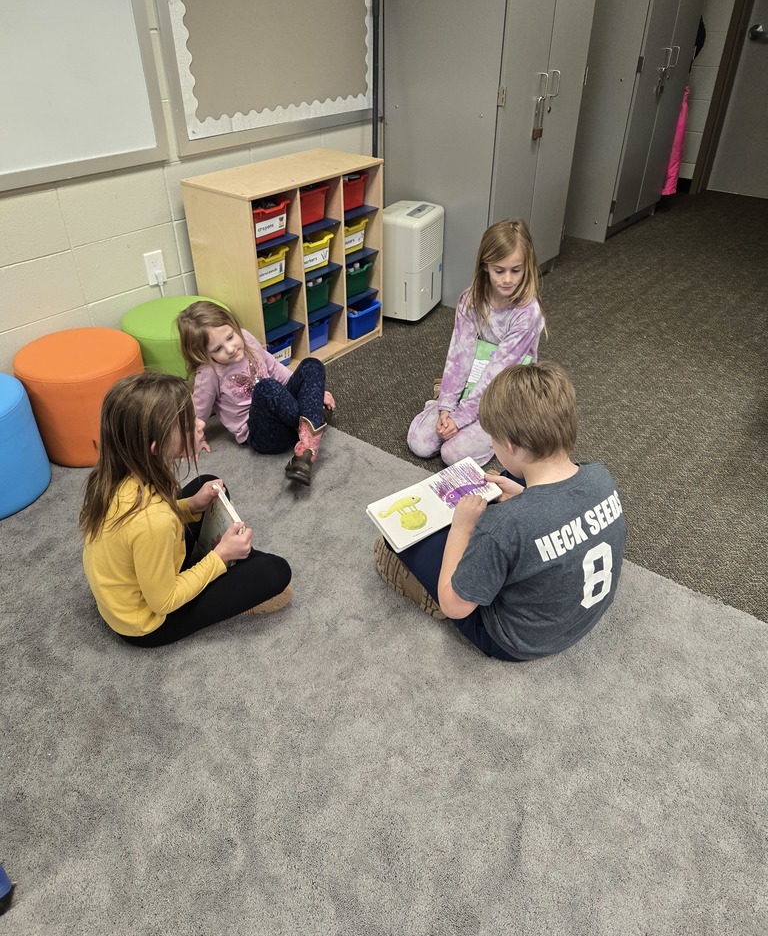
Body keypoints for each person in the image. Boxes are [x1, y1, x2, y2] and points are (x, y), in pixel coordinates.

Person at [375, 361, 627, 661]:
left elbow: (454, 606)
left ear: (509, 444)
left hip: (514, 640)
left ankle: (427, 587)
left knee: (399, 541)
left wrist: (463, 528)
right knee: (516, 480)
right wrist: (524, 496)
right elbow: (560, 511)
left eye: (492, 441)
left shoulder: (502, 526)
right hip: (578, 616)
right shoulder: (601, 476)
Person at [80, 371, 292, 648]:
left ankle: (229, 555)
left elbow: (144, 526)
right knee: (275, 571)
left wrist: (189, 507)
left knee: (208, 486)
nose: (201, 423)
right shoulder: (152, 521)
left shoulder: (118, 475)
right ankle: (231, 559)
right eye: (189, 423)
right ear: (156, 448)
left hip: (134, 580)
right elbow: (163, 601)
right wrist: (219, 558)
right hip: (148, 623)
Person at [407, 218, 545, 467]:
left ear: (527, 267)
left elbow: (497, 375)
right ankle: (439, 403)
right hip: (469, 391)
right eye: (499, 270)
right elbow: (458, 358)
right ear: (485, 266)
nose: (507, 280)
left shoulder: (527, 313)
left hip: (503, 397)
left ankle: (505, 431)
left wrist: (460, 419)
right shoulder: (471, 300)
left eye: (516, 270)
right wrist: (446, 408)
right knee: (419, 443)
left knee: (453, 455)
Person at [177, 301, 335, 487]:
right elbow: (199, 413)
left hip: (285, 412)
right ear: (202, 354)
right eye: (217, 349)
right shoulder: (209, 373)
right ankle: (311, 422)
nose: (230, 348)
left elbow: (276, 369)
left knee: (312, 364)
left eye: (230, 337)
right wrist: (195, 439)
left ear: (235, 327)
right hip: (262, 435)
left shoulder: (246, 339)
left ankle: (306, 448)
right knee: (266, 387)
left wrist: (311, 393)